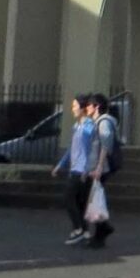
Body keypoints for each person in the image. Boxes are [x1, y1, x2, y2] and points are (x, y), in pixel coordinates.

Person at [50, 94, 94, 246]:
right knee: (80, 202)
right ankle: (86, 232)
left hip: (82, 171)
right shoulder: (76, 126)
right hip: (75, 168)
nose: (72, 109)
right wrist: (60, 165)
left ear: (82, 108)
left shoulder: (89, 126)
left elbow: (91, 150)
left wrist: (87, 170)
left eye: (75, 106)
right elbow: (71, 150)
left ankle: (78, 229)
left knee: (69, 199)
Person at [85, 94, 118, 248]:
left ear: (96, 106)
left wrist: (98, 167)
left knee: (95, 200)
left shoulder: (103, 122)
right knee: (94, 199)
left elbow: (105, 145)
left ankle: (101, 232)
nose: (87, 108)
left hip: (100, 168)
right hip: (96, 167)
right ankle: (102, 229)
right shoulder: (97, 122)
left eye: (89, 105)